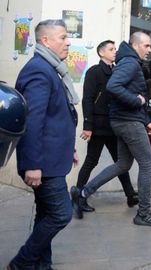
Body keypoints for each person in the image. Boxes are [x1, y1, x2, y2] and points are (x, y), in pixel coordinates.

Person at [71, 32, 151, 227]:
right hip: (128, 122)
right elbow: (114, 86)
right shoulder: (130, 63)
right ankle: (144, 213)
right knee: (147, 164)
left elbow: (127, 91)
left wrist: (145, 120)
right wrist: (136, 101)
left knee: (123, 164)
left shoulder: (126, 62)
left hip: (125, 121)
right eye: (147, 46)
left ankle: (81, 193)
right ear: (135, 45)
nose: (149, 50)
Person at [8, 19, 77, 270]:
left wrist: (71, 149)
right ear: (45, 41)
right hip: (43, 163)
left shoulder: (49, 67)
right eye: (62, 37)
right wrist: (33, 164)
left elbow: (56, 117)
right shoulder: (40, 70)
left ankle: (41, 264)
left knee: (45, 214)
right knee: (61, 214)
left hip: (52, 157)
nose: (68, 41)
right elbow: (32, 122)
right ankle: (23, 262)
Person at [75, 40, 138, 215]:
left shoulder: (117, 71)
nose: (115, 52)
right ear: (101, 53)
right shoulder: (94, 72)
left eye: (115, 49)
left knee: (120, 162)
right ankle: (79, 195)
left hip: (114, 124)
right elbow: (87, 99)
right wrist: (88, 126)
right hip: (98, 125)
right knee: (91, 160)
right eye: (111, 49)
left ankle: (130, 195)